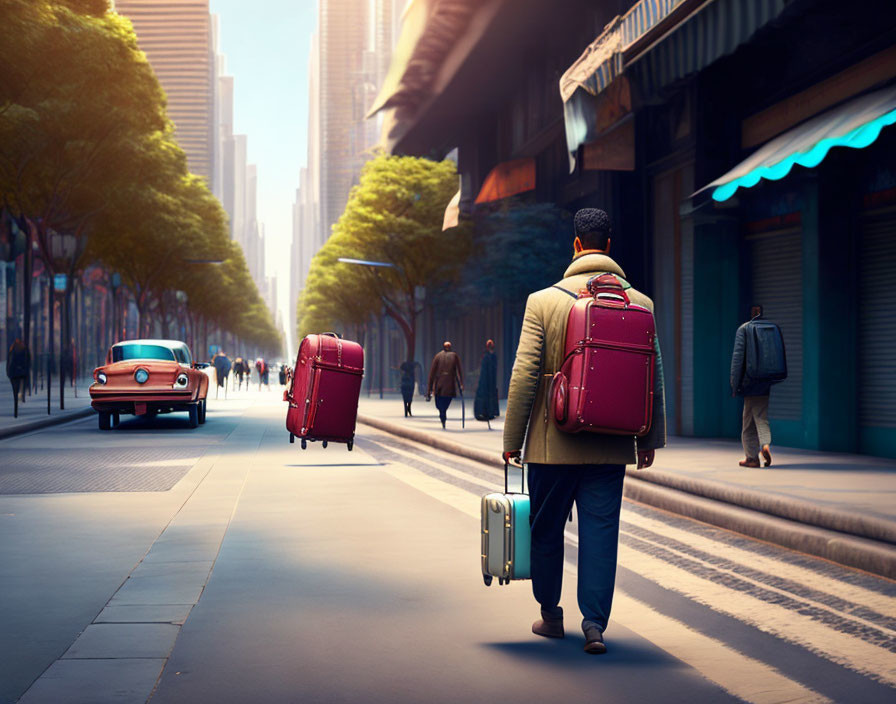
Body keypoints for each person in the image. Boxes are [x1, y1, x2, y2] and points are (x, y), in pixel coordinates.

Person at [503, 208, 666, 655]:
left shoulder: (543, 301)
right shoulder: (642, 304)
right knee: (600, 533)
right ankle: (594, 625)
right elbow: (653, 376)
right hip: (611, 445)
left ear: (576, 245)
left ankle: (551, 616)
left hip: (551, 445)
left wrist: (512, 440)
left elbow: (524, 373)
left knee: (545, 528)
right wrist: (648, 439)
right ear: (609, 246)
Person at [730, 305, 774, 468]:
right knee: (761, 416)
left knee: (748, 422)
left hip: (750, 382)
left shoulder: (744, 329)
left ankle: (752, 458)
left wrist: (735, 384)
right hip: (765, 381)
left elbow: (737, 359)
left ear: (751, 313)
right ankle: (765, 444)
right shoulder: (769, 329)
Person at [426, 341, 463, 429]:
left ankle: (443, 413)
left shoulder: (439, 356)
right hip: (446, 385)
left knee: (441, 403)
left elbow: (432, 374)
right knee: (443, 403)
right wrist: (461, 384)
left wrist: (429, 390)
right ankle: (443, 413)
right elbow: (459, 372)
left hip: (441, 385)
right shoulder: (451, 356)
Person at [474, 339, 499, 425]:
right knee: (485, 395)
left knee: (489, 395)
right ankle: (484, 412)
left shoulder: (492, 356)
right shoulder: (487, 356)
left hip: (490, 380)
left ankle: (489, 412)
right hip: (485, 380)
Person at [7, 338, 31, 418]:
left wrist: (8, 372)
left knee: (15, 391)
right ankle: (16, 406)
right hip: (19, 374)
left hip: (13, 374)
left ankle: (16, 407)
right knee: (18, 390)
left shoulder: (12, 350)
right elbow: (27, 362)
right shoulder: (23, 350)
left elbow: (9, 363)